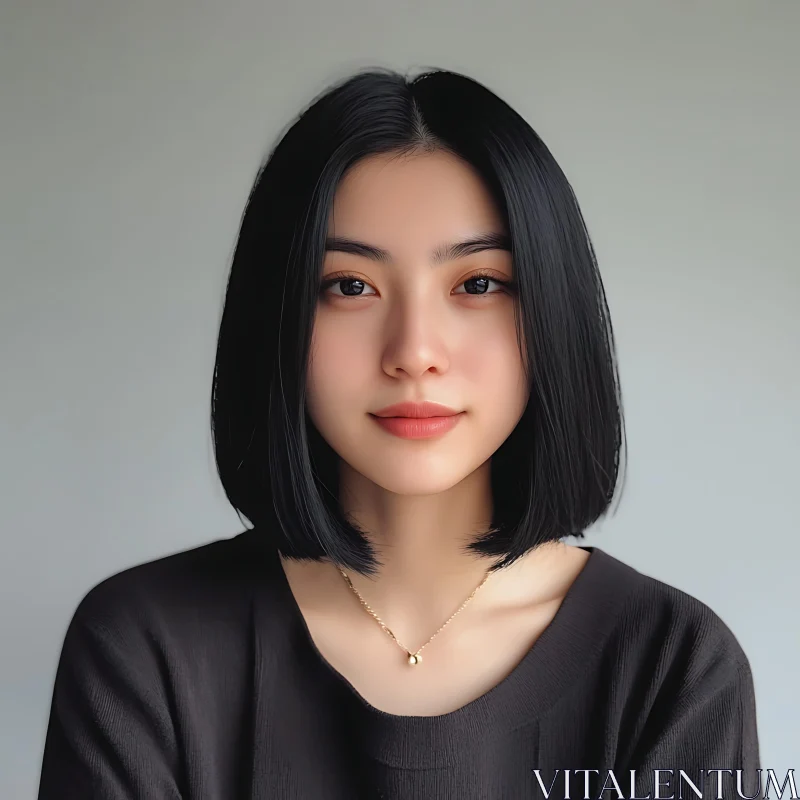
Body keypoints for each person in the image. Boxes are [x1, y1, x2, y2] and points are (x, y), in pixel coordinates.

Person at [37, 67, 761, 799]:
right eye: (349, 286)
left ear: (554, 314)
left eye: (479, 284)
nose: (414, 350)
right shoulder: (144, 646)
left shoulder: (674, 666)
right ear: (278, 317)